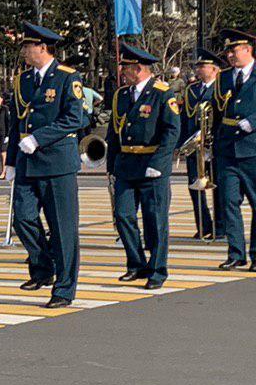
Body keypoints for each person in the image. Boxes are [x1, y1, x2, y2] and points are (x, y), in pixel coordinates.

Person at [4, 23, 85, 309]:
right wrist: (11, 160)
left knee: (63, 229)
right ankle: (43, 267)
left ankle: (64, 288)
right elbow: (17, 122)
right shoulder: (22, 80)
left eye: (28, 46)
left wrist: (39, 138)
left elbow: (74, 119)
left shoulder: (67, 78)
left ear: (42, 47)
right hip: (27, 161)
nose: (24, 51)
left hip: (57, 163)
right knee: (22, 218)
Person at [105, 42, 181, 290]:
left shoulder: (162, 93)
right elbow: (113, 132)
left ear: (137, 69)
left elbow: (172, 131)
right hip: (127, 165)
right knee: (123, 216)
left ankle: (158, 269)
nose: (121, 72)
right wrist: (110, 164)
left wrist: (159, 163)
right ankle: (136, 263)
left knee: (155, 219)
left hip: (152, 165)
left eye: (125, 67)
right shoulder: (121, 95)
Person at [213, 28, 256, 271]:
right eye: (228, 51)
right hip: (228, 149)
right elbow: (217, 111)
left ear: (248, 49)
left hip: (253, 148)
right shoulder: (223, 77)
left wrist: (253, 121)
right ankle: (236, 253)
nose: (230, 55)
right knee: (229, 202)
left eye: (234, 50)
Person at [181, 48, 224, 241]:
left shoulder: (222, 88)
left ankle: (220, 227)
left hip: (214, 145)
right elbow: (184, 118)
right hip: (195, 146)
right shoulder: (191, 89)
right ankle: (203, 225)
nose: (198, 69)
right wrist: (181, 144)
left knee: (218, 187)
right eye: (197, 66)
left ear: (214, 69)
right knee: (195, 186)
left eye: (202, 66)